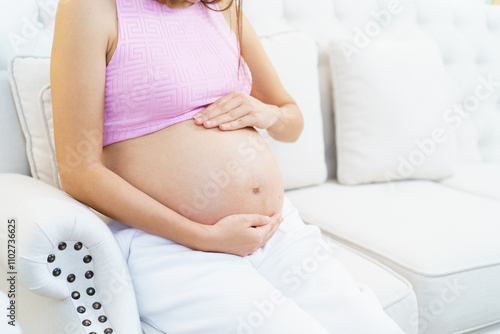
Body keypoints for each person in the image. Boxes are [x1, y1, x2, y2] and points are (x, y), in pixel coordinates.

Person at [50, 0, 404, 332]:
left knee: (371, 325)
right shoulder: (92, 8)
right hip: (172, 247)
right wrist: (204, 236)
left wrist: (268, 113)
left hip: (275, 232)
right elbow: (78, 170)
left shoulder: (223, 7)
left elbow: (291, 120)